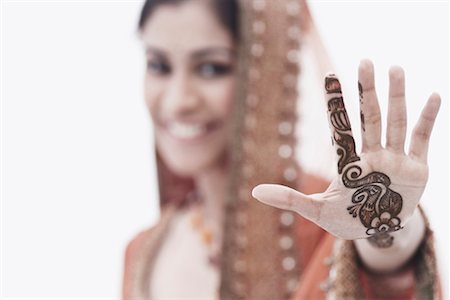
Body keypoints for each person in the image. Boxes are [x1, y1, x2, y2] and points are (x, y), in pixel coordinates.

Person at [122, 0, 441, 299]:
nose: (178, 101)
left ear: (264, 73)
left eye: (211, 68)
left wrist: (386, 236)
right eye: (158, 65)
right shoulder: (143, 253)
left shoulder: (328, 215)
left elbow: (386, 278)